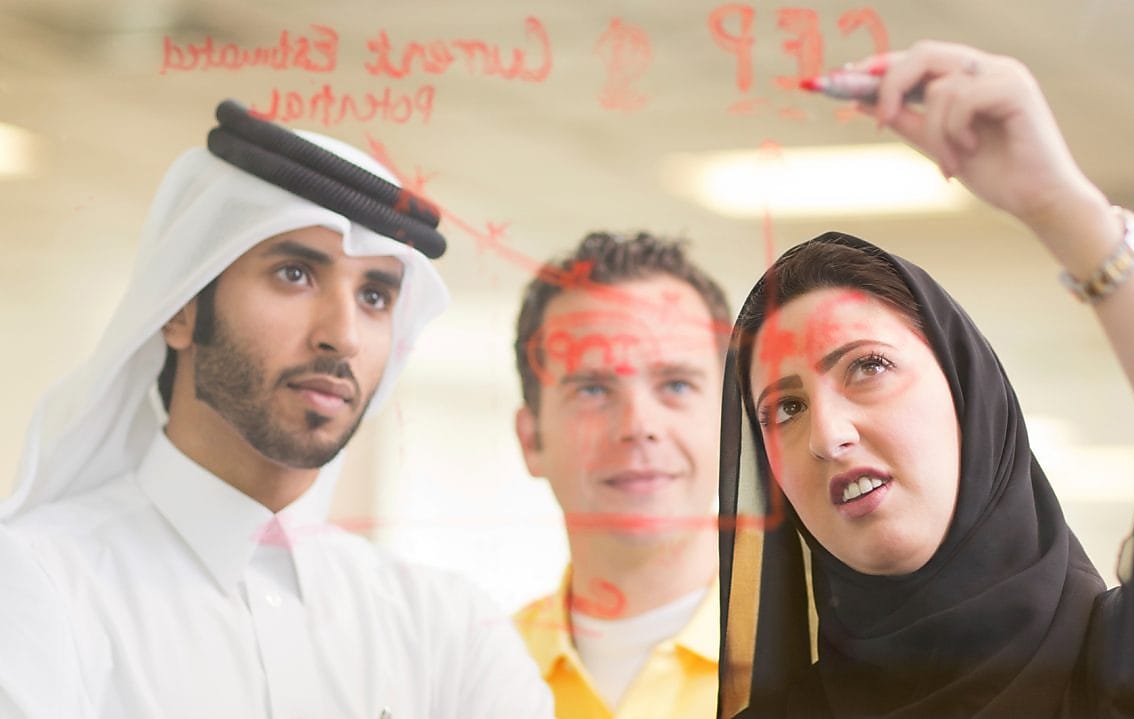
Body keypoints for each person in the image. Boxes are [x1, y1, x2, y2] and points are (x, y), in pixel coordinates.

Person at [717, 41, 1134, 718]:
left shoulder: (1129, 684)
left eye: (867, 366)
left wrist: (1066, 214)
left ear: (969, 402)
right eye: (784, 407)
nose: (827, 434)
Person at [0, 105, 552, 718]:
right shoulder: (37, 586)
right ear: (182, 308)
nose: (342, 335)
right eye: (294, 275)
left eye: (374, 296)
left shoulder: (446, 631)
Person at [511, 232, 730, 718]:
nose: (638, 427)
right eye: (592, 389)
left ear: (733, 424)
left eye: (675, 384)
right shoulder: (468, 672)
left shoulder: (827, 658)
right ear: (531, 440)